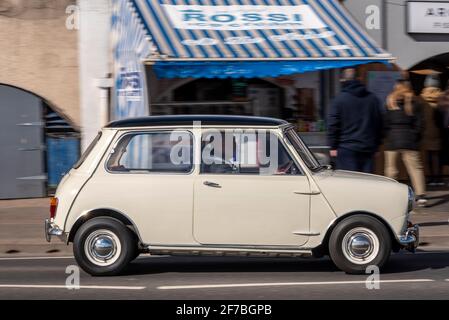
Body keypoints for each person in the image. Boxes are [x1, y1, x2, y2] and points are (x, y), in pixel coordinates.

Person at [327, 68, 383, 173]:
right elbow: (379, 123)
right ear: (359, 79)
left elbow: (333, 125)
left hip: (346, 148)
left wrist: (333, 146)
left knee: (349, 183)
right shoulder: (373, 99)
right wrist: (377, 145)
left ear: (343, 80)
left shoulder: (339, 100)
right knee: (368, 182)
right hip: (368, 148)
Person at [384, 78, 427, 206]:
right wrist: (415, 136)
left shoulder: (389, 101)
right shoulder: (415, 102)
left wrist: (387, 135)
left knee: (391, 169)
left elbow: (385, 123)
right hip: (410, 140)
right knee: (415, 169)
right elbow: (420, 124)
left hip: (392, 140)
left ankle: (390, 195)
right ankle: (421, 196)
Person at [420, 74, 444, 186]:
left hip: (426, 132)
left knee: (429, 156)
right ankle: (438, 178)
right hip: (439, 132)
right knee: (437, 156)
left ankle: (431, 178)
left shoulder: (422, 99)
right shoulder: (441, 98)